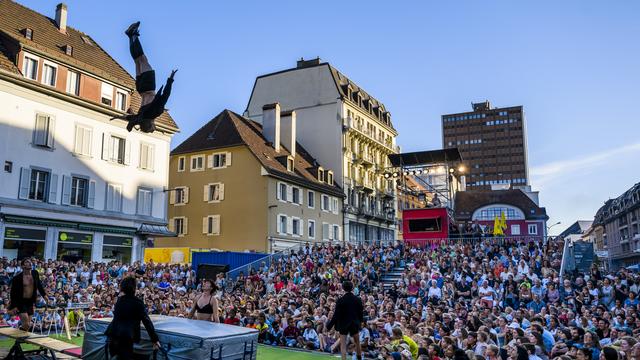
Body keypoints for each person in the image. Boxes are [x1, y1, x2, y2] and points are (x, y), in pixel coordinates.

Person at [111, 21, 177, 133]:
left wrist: (170, 80)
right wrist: (116, 117)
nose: (154, 129)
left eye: (153, 128)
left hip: (148, 86)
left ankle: (133, 34)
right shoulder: (139, 118)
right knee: (137, 61)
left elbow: (166, 95)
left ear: (151, 124)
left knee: (142, 58)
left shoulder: (156, 112)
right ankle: (130, 36)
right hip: (140, 88)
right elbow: (127, 118)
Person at [105, 276, 160, 359]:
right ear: (134, 288)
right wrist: (155, 339)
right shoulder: (138, 302)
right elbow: (146, 321)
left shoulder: (120, 300)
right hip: (126, 337)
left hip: (113, 334)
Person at [327, 281, 364, 360]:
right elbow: (361, 313)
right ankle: (359, 358)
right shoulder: (357, 299)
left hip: (343, 324)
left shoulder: (340, 300)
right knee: (357, 343)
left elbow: (335, 315)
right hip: (354, 324)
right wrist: (361, 322)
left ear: (343, 288)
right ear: (352, 288)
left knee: (343, 345)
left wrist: (329, 326)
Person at [8, 258, 47, 331]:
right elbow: (13, 293)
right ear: (22, 266)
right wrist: (14, 306)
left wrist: (44, 295)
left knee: (27, 326)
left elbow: (39, 285)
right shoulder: (17, 278)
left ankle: (17, 341)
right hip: (21, 303)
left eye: (30, 262)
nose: (30, 263)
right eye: (27, 262)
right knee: (26, 324)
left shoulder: (35, 273)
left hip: (30, 302)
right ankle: (17, 335)